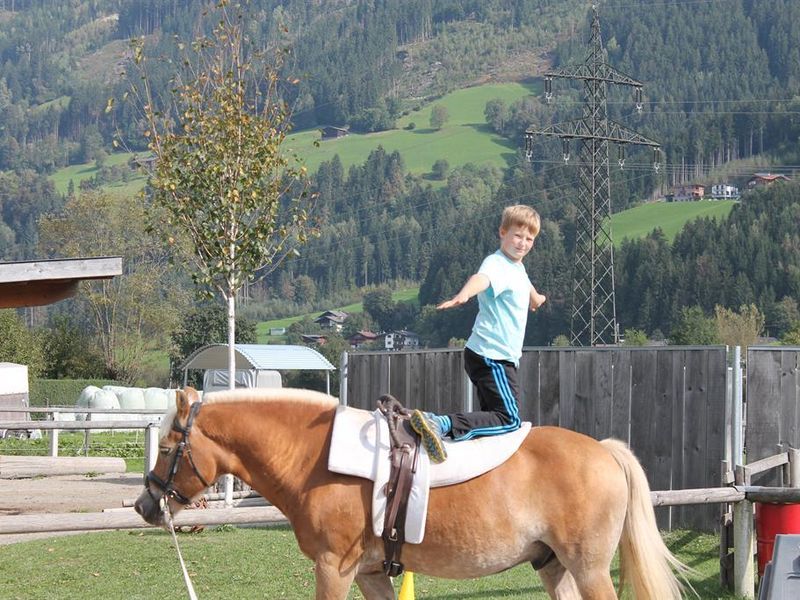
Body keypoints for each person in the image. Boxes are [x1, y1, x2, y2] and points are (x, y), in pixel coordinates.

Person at [410, 204, 547, 463]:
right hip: (491, 356)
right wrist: (464, 294)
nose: (523, 243)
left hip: (491, 355)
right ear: (502, 232)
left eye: (529, 239)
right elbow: (481, 278)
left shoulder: (517, 267)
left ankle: (467, 460)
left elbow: (528, 287)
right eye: (517, 235)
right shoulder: (496, 263)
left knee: (493, 423)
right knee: (509, 419)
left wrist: (537, 298)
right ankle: (439, 424)